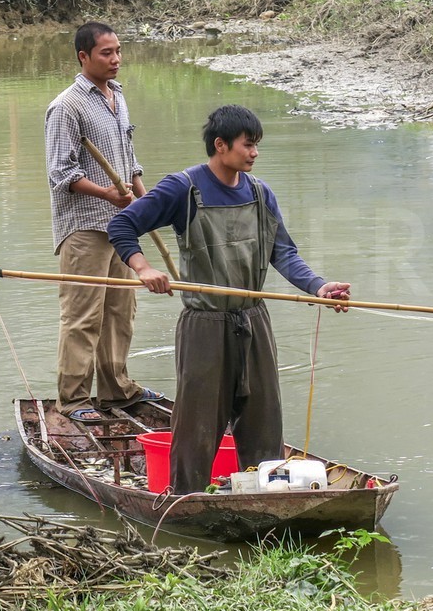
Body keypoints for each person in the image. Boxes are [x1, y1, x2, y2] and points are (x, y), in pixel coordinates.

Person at [108, 104, 350, 493]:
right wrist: (143, 268)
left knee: (263, 421)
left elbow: (283, 252)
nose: (254, 153)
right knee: (197, 424)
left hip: (254, 320)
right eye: (247, 145)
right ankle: (185, 501)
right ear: (220, 145)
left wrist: (319, 287)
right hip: (205, 324)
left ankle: (265, 498)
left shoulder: (259, 193)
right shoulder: (182, 189)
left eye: (257, 146)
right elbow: (122, 225)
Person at [45, 21, 156, 421]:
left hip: (121, 226)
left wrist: (149, 203)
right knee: (83, 315)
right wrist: (107, 193)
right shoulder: (66, 107)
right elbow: (61, 173)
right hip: (84, 228)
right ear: (83, 57)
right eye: (106, 53)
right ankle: (73, 399)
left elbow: (129, 159)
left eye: (118, 51)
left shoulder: (118, 96)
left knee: (120, 311)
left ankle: (116, 389)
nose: (116, 60)